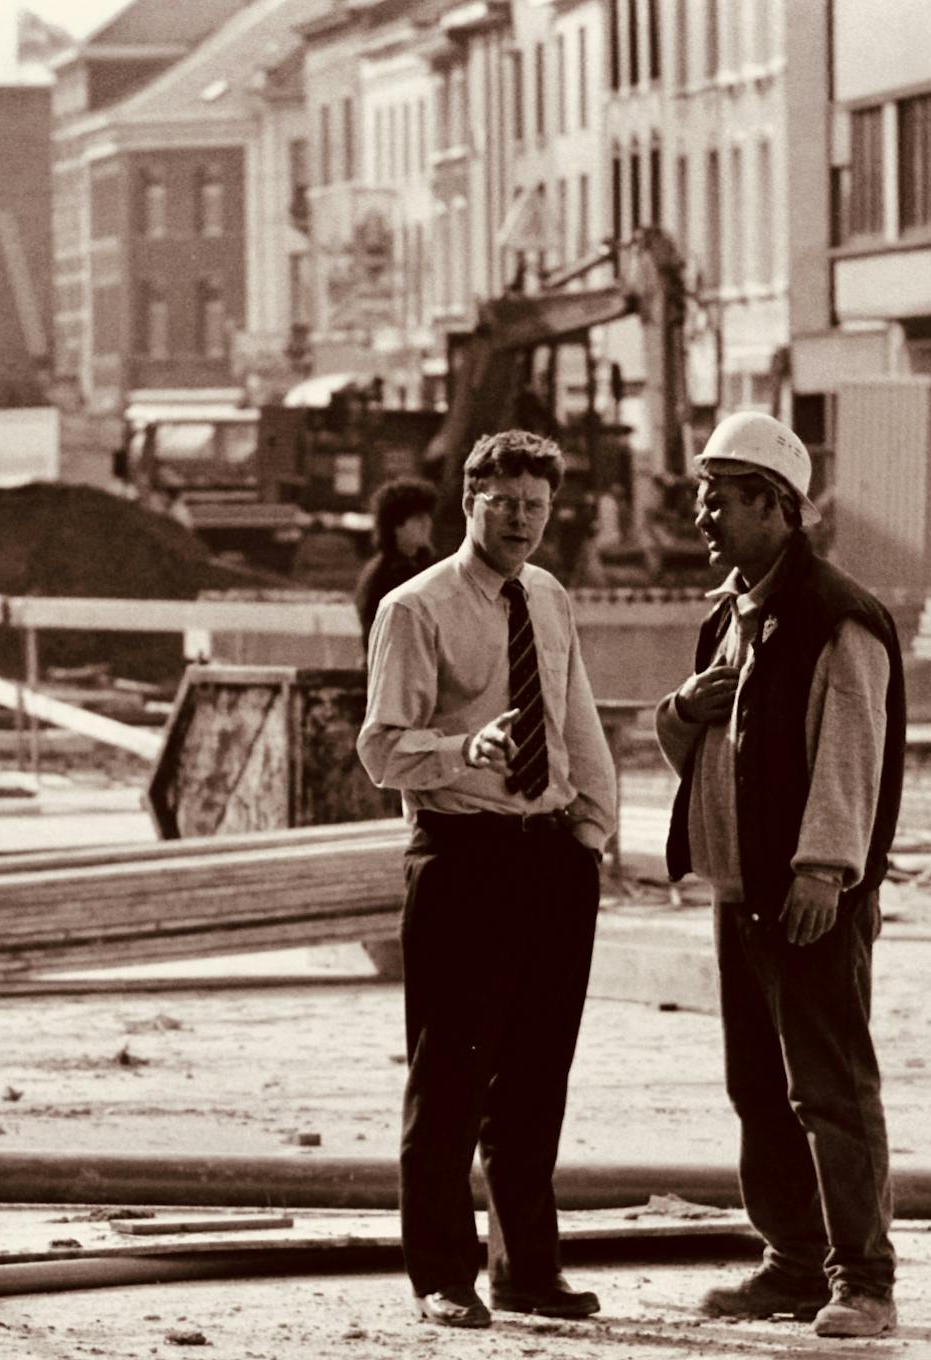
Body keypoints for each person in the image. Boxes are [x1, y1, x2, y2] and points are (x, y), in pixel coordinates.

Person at [653, 411, 905, 1339]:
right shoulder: (731, 611)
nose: (702, 514)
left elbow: (853, 754)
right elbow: (701, 752)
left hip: (807, 895)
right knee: (758, 1085)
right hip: (739, 886)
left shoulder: (837, 617)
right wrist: (682, 707)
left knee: (830, 1087)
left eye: (718, 498)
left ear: (774, 506)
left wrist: (824, 869)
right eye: (702, 495)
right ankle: (792, 1262)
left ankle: (865, 1281)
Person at [358, 430, 616, 1330]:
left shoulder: (547, 596)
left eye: (535, 507)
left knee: (539, 1076)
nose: (519, 522)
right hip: (463, 854)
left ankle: (528, 1271)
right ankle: (441, 1274)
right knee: (453, 1078)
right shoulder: (415, 608)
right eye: (502, 503)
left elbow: (575, 714)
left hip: (549, 858)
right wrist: (459, 749)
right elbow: (383, 748)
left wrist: (591, 828)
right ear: (467, 502)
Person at [355, 476, 438, 656]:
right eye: (417, 518)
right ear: (396, 525)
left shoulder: (430, 568)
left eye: (427, 516)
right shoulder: (380, 577)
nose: (427, 524)